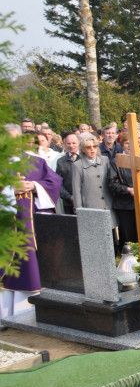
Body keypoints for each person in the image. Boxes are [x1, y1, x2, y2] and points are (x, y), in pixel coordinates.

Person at [0, 125, 62, 319]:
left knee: (31, 265)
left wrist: (33, 185)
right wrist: (10, 190)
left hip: (31, 228)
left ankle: (31, 312)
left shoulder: (36, 162)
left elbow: (54, 182)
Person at [108, 130, 140, 250]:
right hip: (125, 206)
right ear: (122, 145)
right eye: (127, 143)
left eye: (133, 142)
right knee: (128, 238)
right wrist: (127, 190)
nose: (130, 145)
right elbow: (111, 184)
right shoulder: (116, 162)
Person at [55, 132, 80, 214]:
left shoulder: (85, 158)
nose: (71, 146)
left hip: (86, 202)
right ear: (64, 144)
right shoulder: (60, 162)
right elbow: (58, 183)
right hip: (69, 204)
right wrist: (69, 197)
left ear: (78, 143)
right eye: (68, 143)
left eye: (74, 143)